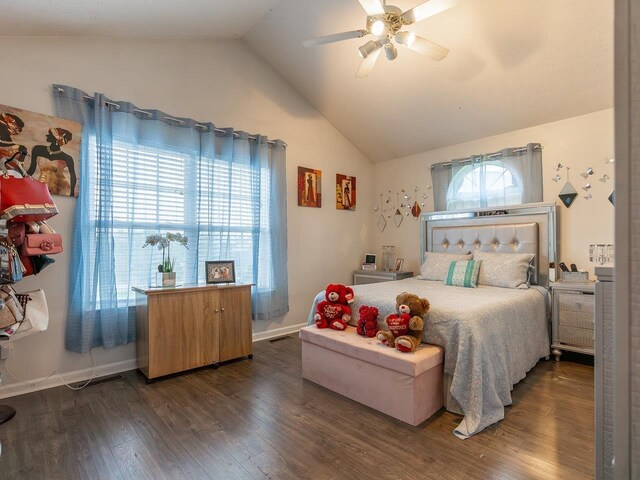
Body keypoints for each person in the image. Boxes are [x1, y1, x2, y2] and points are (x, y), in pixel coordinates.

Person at [28, 128, 76, 196]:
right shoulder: (38, 149)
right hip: (41, 186)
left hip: (58, 188)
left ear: (57, 139)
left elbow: (73, 176)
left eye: (50, 134)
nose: (47, 135)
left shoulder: (67, 158)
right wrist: (21, 177)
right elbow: (31, 170)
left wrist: (71, 194)